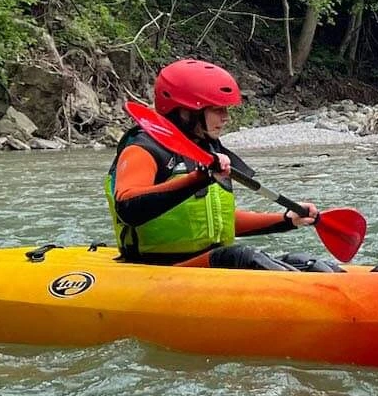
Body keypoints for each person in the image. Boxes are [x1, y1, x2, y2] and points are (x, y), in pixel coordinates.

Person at [107, 59, 335, 271]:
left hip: (207, 266)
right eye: (217, 109)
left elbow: (221, 222)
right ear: (186, 111)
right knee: (240, 257)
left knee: (306, 262)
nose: (225, 117)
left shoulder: (211, 151)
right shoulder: (143, 148)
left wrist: (286, 220)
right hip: (156, 270)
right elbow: (128, 208)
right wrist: (198, 179)